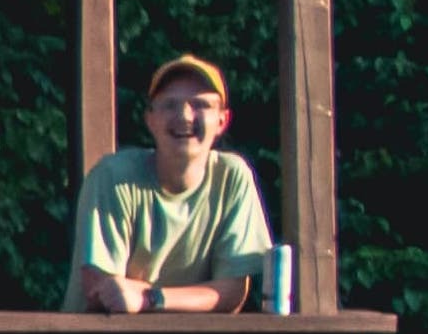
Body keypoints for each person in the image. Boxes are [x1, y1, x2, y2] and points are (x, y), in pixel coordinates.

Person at [66, 56, 286, 312]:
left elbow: (233, 291)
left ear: (222, 121)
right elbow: (101, 287)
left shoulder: (232, 176)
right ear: (150, 119)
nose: (184, 116)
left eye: (200, 105)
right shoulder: (113, 177)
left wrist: (150, 298)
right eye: (170, 105)